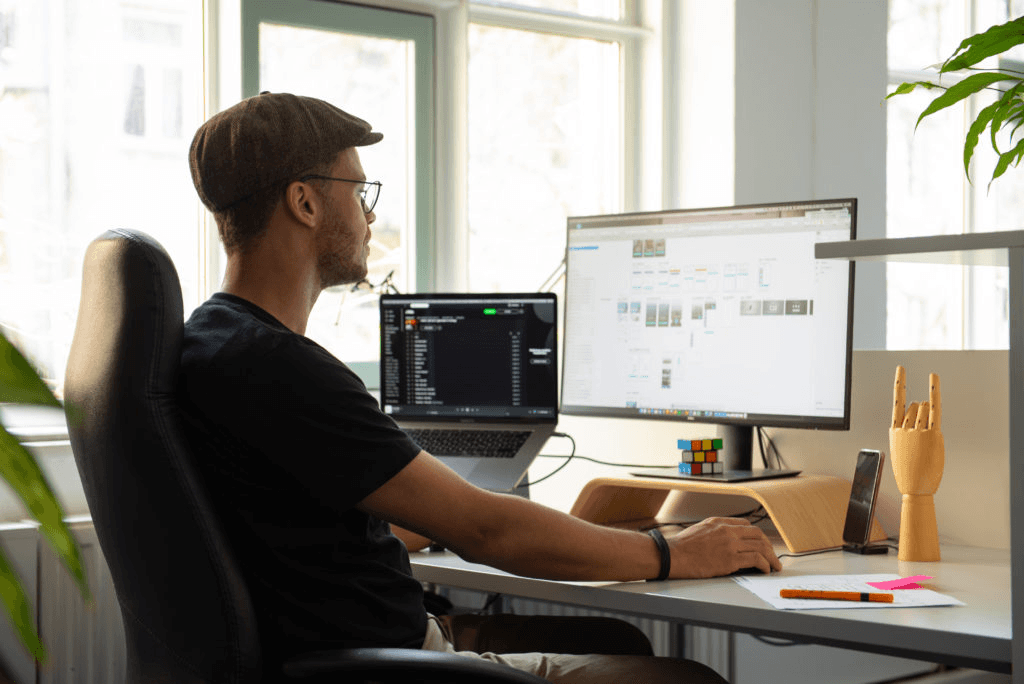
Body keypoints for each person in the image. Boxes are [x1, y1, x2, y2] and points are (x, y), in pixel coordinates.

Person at [178, 91, 781, 683]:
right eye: (359, 191)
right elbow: (489, 531)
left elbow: (296, 526)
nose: (369, 216)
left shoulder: (212, 339)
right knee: (685, 679)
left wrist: (434, 515)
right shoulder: (284, 369)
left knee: (618, 641)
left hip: (343, 646)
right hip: (395, 663)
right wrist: (672, 553)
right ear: (305, 203)